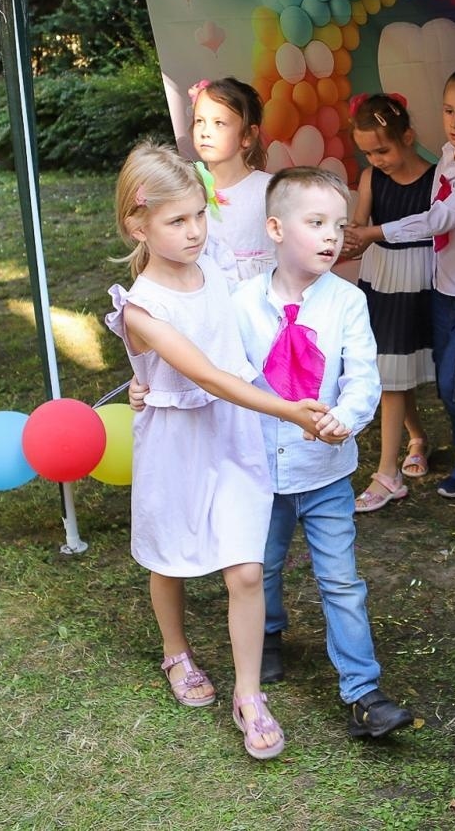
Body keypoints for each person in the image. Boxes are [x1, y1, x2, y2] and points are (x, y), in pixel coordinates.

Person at [105, 142, 333, 761]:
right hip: (178, 439)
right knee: (170, 555)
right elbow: (205, 374)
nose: (195, 231)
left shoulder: (221, 264)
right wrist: (287, 409)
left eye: (200, 216)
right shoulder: (142, 309)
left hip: (233, 434)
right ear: (139, 225)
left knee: (246, 568)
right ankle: (174, 650)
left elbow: (250, 321)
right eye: (177, 222)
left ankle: (250, 694)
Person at [229, 167, 414, 741]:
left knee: (342, 582)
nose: (333, 236)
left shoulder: (348, 302)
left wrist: (346, 418)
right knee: (265, 568)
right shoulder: (241, 304)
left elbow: (363, 377)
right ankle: (271, 633)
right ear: (276, 229)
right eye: (317, 224)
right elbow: (227, 379)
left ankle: (363, 692)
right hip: (260, 473)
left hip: (326, 474)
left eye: (340, 224)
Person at [344, 64, 455, 508]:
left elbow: (439, 219)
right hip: (443, 285)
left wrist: (374, 233)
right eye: (448, 111)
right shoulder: (449, 156)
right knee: (446, 380)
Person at [348, 93, 437, 510]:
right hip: (381, 279)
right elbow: (359, 230)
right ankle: (408, 448)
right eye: (367, 152)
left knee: (394, 374)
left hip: (418, 280)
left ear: (408, 137)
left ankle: (392, 469)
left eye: (382, 149)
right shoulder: (370, 179)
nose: (376, 159)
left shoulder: (437, 179)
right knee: (390, 372)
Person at [190, 77, 275, 278]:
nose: (205, 132)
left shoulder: (269, 190)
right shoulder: (189, 193)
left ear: (247, 135)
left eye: (219, 123)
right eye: (199, 121)